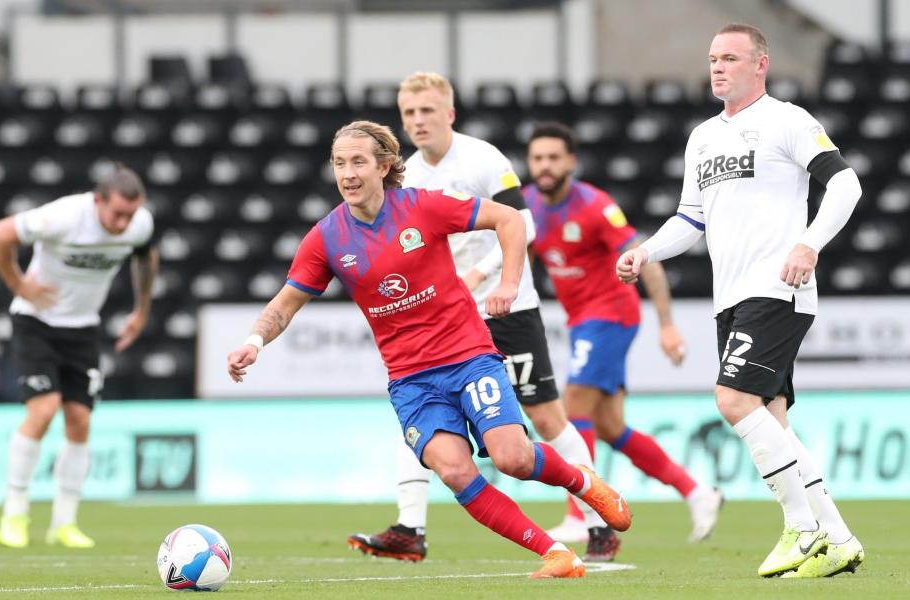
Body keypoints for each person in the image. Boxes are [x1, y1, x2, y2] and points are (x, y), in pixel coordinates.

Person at [227, 120, 631, 579]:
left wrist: (510, 283)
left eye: (358, 162)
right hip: (411, 381)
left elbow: (510, 218)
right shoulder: (327, 238)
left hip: (467, 356)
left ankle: (584, 482)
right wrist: (253, 342)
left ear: (384, 166)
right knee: (455, 471)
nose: (348, 173)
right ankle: (556, 553)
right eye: (340, 163)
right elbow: (285, 304)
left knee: (513, 458)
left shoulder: (422, 206)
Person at [616, 24, 863, 578]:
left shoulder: (788, 120)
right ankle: (841, 539)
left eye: (730, 57)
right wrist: (648, 251)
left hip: (777, 286)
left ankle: (802, 530)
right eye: (712, 59)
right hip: (731, 296)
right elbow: (691, 219)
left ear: (761, 64)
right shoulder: (702, 137)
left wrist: (808, 244)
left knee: (733, 401)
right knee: (772, 419)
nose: (718, 67)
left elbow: (846, 185)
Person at [347, 72, 614, 563]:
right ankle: (411, 526)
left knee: (544, 416)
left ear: (449, 113)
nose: (418, 121)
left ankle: (597, 521)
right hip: (448, 318)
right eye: (409, 113)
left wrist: (484, 274)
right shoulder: (405, 176)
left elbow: (524, 221)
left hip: (507, 308)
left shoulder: (483, 158)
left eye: (427, 110)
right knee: (424, 415)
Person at [523, 122, 724, 553]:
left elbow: (646, 261)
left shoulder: (595, 206)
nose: (544, 166)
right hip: (582, 321)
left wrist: (667, 324)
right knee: (610, 427)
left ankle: (581, 515)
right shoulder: (528, 206)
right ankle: (696, 492)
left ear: (570, 162)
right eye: (537, 158)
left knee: (572, 405)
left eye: (554, 157)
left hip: (611, 315)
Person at [0, 164, 158, 549]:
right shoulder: (62, 216)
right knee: (44, 410)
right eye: (117, 214)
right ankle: (15, 511)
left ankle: (64, 523)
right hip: (36, 323)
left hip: (82, 329)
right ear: (98, 201)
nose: (124, 223)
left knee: (79, 420)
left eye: (130, 215)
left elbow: (145, 257)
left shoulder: (140, 223)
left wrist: (141, 310)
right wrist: (18, 283)